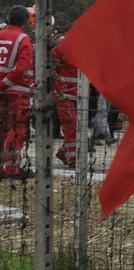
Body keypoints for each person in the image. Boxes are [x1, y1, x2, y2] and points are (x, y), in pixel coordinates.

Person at [0, 7, 33, 178]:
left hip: (2, 92)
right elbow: (22, 66)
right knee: (16, 129)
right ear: (25, 21)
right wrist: (5, 83)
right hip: (16, 92)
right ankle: (12, 169)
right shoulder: (23, 38)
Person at [50, 29, 79, 169]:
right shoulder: (62, 47)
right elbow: (51, 68)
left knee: (77, 127)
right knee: (71, 125)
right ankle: (72, 158)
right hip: (65, 94)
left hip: (79, 95)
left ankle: (63, 152)